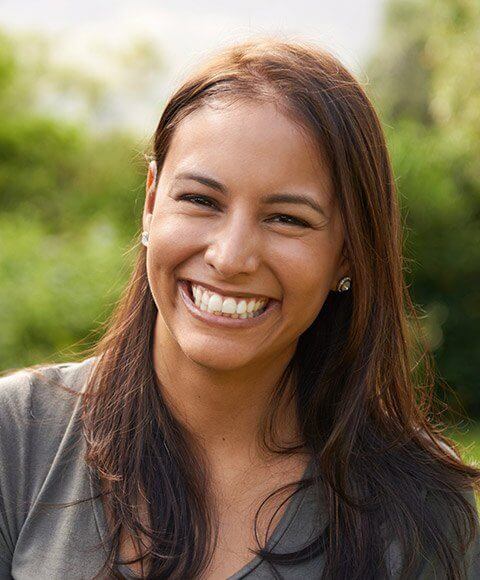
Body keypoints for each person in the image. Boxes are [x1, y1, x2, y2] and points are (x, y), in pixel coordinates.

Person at [1, 36, 479, 580]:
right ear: (152, 202)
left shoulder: (426, 508)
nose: (230, 258)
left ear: (348, 252)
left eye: (287, 219)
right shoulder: (17, 439)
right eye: (201, 201)